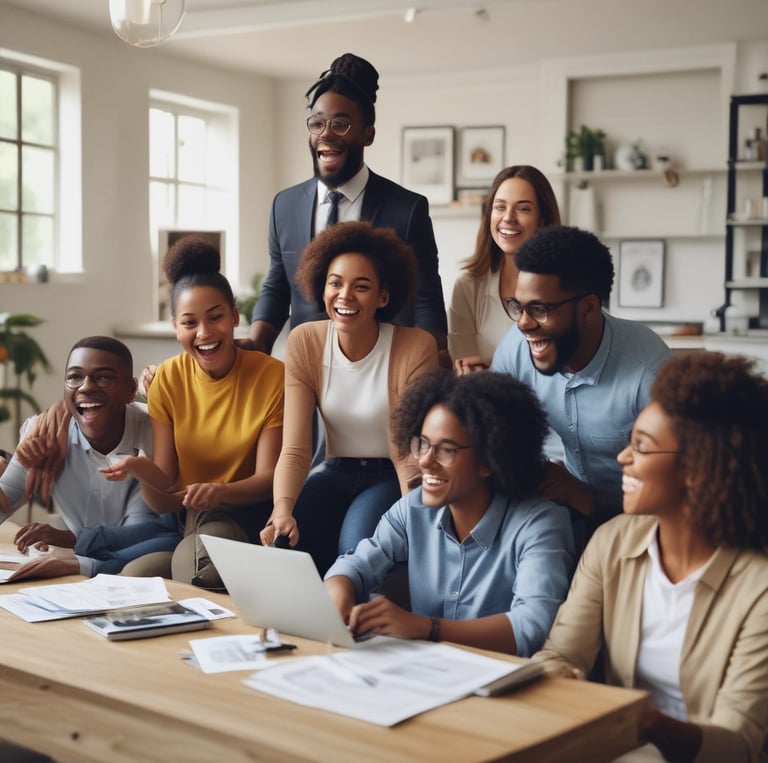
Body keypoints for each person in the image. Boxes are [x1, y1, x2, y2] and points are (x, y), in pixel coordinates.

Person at [534, 352, 768, 763]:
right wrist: (557, 680)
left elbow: (738, 744)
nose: (624, 457)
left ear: (696, 470)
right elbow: (562, 654)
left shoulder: (758, 588)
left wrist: (644, 723)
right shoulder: (612, 543)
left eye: (641, 447)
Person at [324, 369, 576, 656]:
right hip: (427, 674)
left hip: (505, 685)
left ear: (488, 459)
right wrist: (339, 594)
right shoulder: (413, 508)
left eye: (446, 450)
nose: (426, 462)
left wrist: (428, 628)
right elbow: (354, 565)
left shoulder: (540, 523)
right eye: (422, 444)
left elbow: (532, 626)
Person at [101, 235, 284, 588]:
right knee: (129, 580)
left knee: (198, 571)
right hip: (191, 521)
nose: (204, 333)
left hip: (250, 518)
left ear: (234, 316)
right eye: (189, 323)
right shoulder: (167, 379)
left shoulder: (271, 375)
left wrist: (222, 491)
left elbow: (270, 479)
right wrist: (142, 469)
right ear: (175, 327)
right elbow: (167, 499)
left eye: (215, 317)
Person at [259, 221, 438, 574]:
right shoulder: (305, 342)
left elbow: (410, 452)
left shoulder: (415, 347)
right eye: (335, 283)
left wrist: (419, 527)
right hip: (333, 470)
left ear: (382, 297)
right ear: (321, 287)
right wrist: (282, 509)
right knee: (285, 546)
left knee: (353, 550)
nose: (345, 296)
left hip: (388, 475)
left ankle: (351, 624)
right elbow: (295, 449)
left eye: (362, 287)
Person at [247, 52, 448, 363]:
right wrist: (256, 342)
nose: (326, 133)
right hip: (305, 366)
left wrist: (435, 356)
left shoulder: (407, 210)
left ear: (368, 134)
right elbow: (277, 285)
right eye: (317, 123)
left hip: (382, 367)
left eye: (341, 124)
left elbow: (425, 299)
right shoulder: (283, 206)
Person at [490, 226, 670, 535]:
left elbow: (679, 485)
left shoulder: (649, 372)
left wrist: (588, 497)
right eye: (518, 306)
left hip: (638, 522)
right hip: (557, 509)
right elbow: (490, 431)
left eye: (540, 309)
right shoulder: (517, 347)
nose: (523, 324)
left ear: (588, 307)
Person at [0, 336, 180, 581]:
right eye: (74, 377)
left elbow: (147, 535)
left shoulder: (155, 431)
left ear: (130, 390)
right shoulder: (43, 435)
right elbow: (4, 499)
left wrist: (73, 560)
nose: (85, 387)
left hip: (128, 568)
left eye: (104, 377)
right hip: (82, 566)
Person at [450, 165, 561, 373]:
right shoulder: (468, 285)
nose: (508, 218)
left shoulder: (564, 284)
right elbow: (465, 370)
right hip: (486, 401)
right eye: (500, 207)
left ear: (542, 219)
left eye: (523, 208)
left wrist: (493, 369)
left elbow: (566, 367)